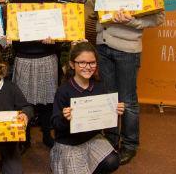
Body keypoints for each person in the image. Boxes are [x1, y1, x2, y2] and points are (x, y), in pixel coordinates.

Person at [89, 0, 165, 164]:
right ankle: (111, 140)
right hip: (103, 46)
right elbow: (96, 13)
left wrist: (132, 21)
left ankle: (130, 144)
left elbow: (158, 18)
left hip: (128, 50)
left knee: (128, 99)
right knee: (109, 97)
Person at [51, 41, 123, 174]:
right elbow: (55, 124)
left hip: (92, 138)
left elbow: (104, 120)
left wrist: (115, 112)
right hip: (69, 143)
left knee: (112, 160)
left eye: (92, 63)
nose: (88, 67)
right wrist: (64, 117)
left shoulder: (100, 86)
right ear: (72, 64)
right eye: (82, 62)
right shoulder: (63, 91)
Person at [10, 0, 59, 148]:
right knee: (24, 102)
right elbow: (13, 32)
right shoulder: (16, 2)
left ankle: (47, 135)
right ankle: (25, 138)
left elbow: (59, 30)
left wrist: (53, 38)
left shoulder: (50, 1)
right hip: (23, 57)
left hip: (46, 57)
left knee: (47, 101)